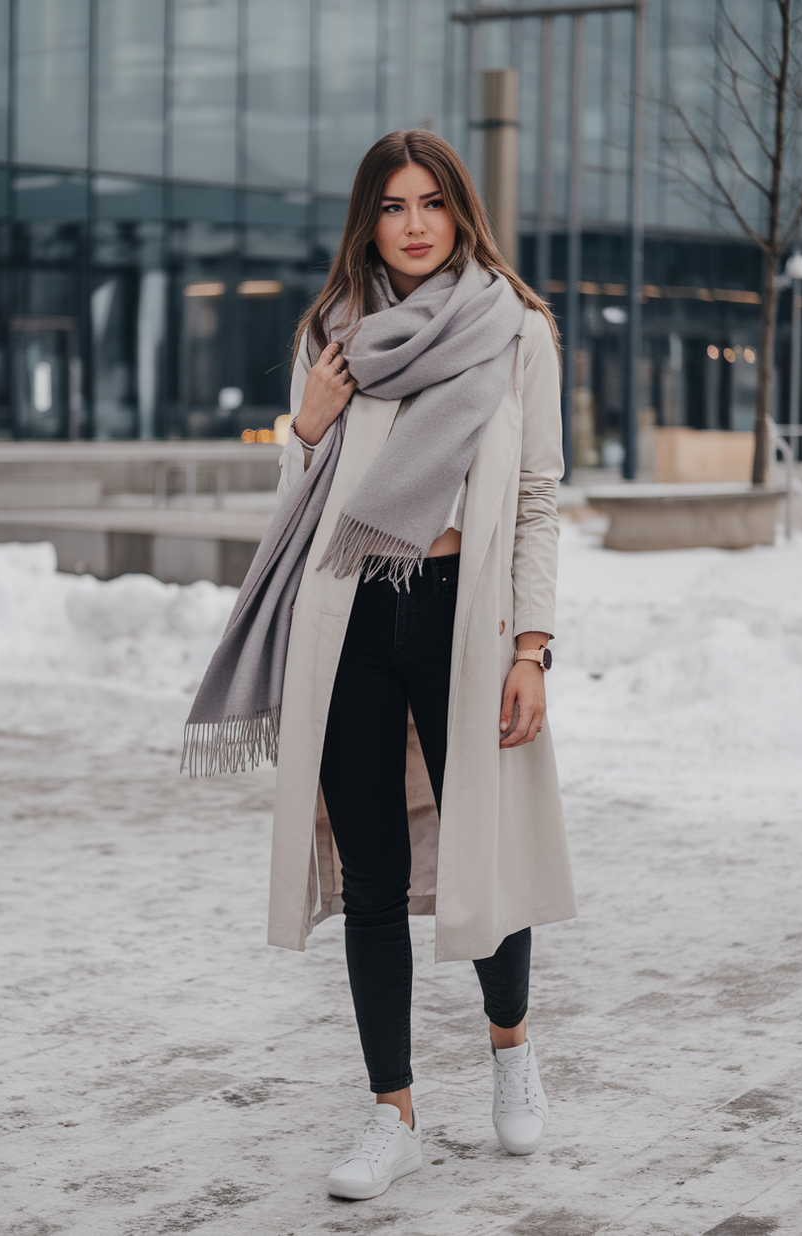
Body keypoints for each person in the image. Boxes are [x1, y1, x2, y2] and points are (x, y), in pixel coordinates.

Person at [183, 129, 576, 1201]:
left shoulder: (517, 331)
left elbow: (537, 497)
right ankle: (389, 1112)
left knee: (484, 852)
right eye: (393, 205)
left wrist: (531, 647)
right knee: (370, 876)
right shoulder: (338, 333)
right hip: (350, 613)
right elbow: (305, 504)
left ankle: (509, 1050)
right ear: (369, 218)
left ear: (460, 214)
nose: (412, 225)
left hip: (466, 615)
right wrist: (302, 426)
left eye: (431, 203)